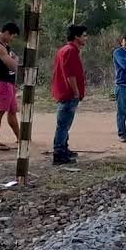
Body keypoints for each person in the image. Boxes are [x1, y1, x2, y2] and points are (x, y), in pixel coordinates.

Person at [50, 25, 88, 165]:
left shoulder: (66, 50)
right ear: (77, 37)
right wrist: (76, 92)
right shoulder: (70, 51)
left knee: (64, 123)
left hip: (64, 92)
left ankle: (63, 148)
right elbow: (70, 74)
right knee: (63, 124)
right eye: (84, 35)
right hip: (68, 94)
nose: (86, 38)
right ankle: (59, 152)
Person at [0, 22, 21, 151]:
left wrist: (14, 59)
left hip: (8, 82)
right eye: (12, 36)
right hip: (1, 82)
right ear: (6, 32)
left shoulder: (4, 45)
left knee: (12, 111)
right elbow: (12, 65)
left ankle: (20, 137)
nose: (12, 39)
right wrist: (15, 61)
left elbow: (12, 60)